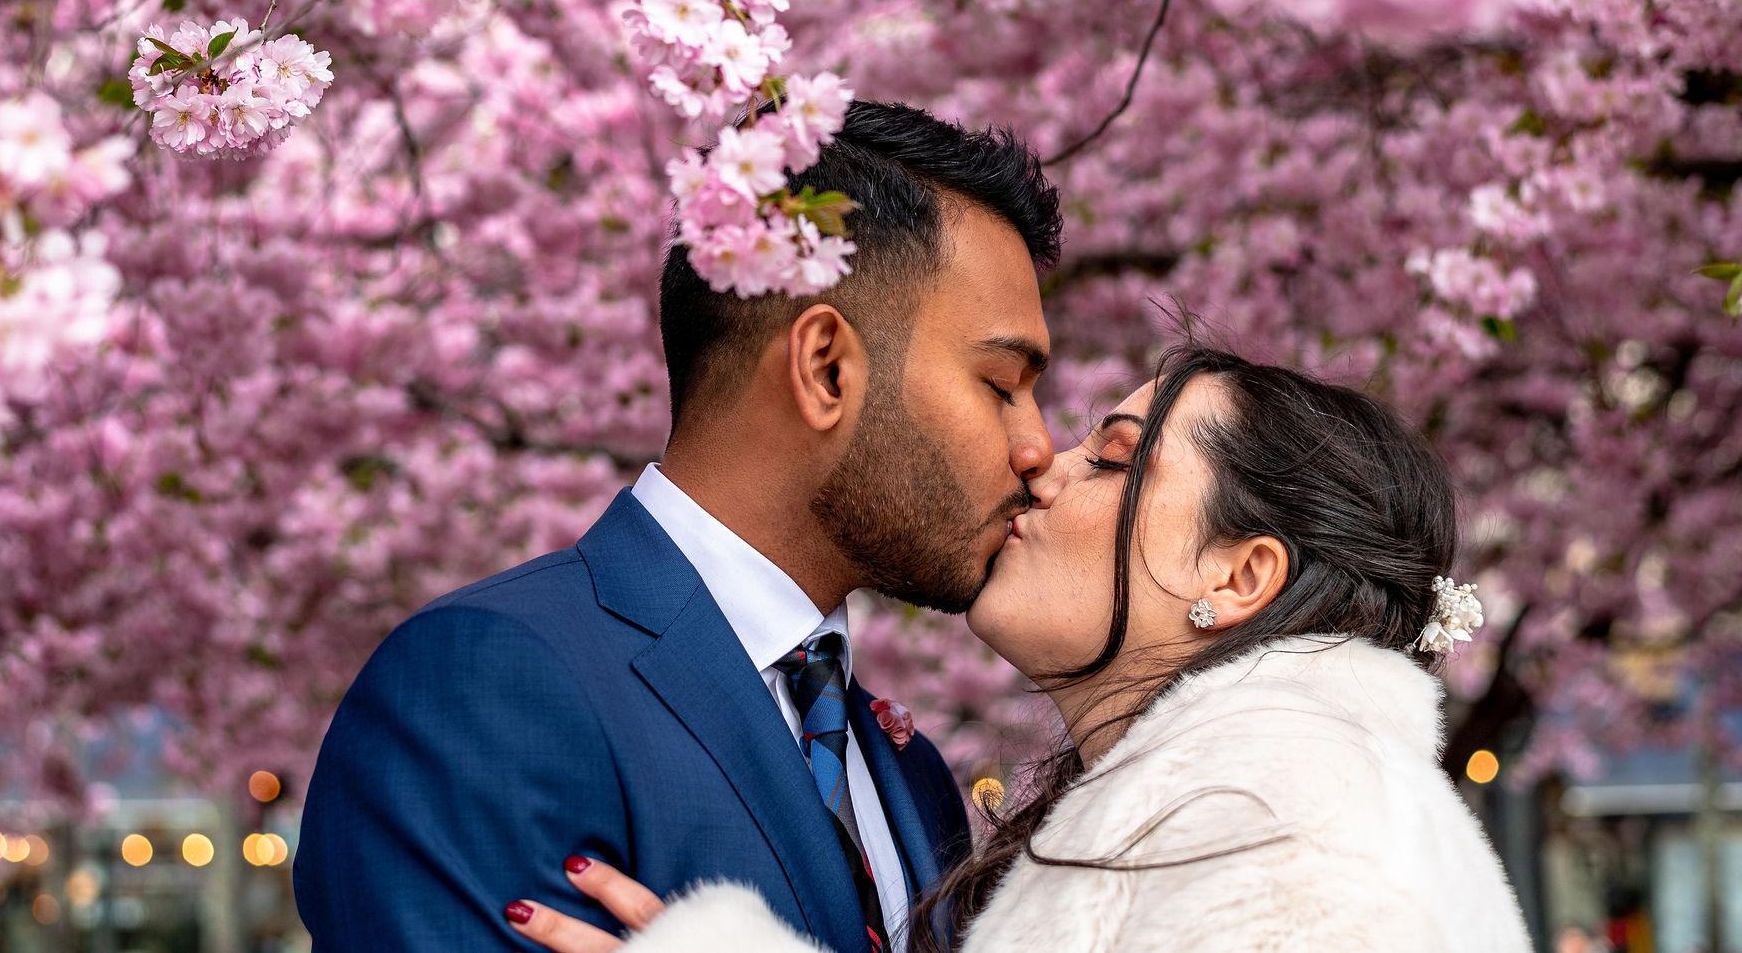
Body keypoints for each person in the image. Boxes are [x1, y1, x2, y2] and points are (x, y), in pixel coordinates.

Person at [293, 101, 1064, 952]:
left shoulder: (909, 774)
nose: (1039, 447)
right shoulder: (487, 688)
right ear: (825, 368)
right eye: (1001, 385)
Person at [503, 346, 1534, 953]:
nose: (1041, 465)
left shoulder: (1284, 816)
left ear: (1237, 576)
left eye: (1115, 460)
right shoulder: (1244, 791)